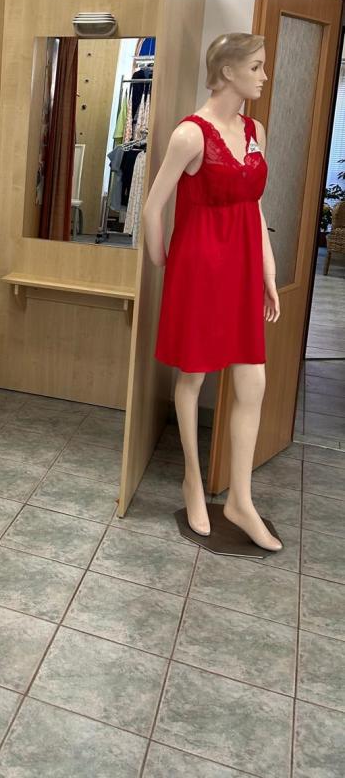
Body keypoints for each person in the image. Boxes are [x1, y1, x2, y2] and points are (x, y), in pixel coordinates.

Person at [142, 32, 282, 551]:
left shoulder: (254, 131)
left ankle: (241, 500)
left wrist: (268, 270)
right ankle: (192, 481)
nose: (264, 76)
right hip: (200, 267)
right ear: (227, 71)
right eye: (257, 66)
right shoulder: (190, 134)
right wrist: (164, 260)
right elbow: (153, 206)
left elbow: (255, 205)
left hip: (243, 267)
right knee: (194, 376)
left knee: (253, 382)